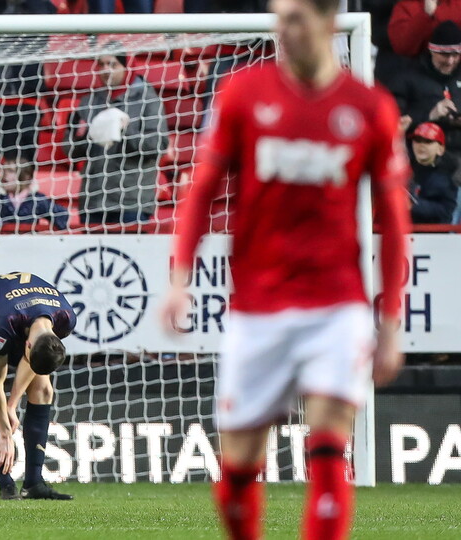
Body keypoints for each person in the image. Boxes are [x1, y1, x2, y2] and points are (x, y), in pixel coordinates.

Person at [160, 0, 410, 537]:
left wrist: (390, 323)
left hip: (336, 306)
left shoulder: (369, 107)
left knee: (327, 446)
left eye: (294, 18)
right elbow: (202, 192)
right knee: (237, 472)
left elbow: (394, 220)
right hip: (257, 307)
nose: (282, 31)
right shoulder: (245, 94)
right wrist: (179, 280)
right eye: (278, 18)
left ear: (326, 22)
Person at [0, 272, 76, 500]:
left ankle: (34, 484)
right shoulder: (4, 325)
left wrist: (12, 404)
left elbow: (33, 361)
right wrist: (5, 433)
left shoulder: (66, 318)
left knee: (43, 390)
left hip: (24, 319)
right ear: (27, 344)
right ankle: (6, 485)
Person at [66, 47, 167, 225]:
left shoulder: (148, 100)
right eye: (102, 64)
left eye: (113, 64)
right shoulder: (88, 102)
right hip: (93, 202)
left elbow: (156, 145)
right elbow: (68, 149)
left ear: (126, 67)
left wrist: (125, 131)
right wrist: (85, 136)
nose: (106, 70)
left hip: (131, 203)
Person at [389, 21, 461, 158]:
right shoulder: (407, 78)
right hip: (424, 160)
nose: (450, 61)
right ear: (432, 50)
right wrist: (429, 116)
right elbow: (394, 124)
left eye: (456, 55)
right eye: (444, 55)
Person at [0, 152, 69, 230]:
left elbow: (61, 214)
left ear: (25, 176)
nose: (4, 175)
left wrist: (45, 232)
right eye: (4, 170)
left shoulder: (36, 199)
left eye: (10, 171)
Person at [407, 122, 458, 223]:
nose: (421, 145)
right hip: (406, 232)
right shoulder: (403, 170)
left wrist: (413, 205)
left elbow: (446, 211)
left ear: (441, 149)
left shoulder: (449, 176)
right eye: (417, 140)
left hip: (435, 235)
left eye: (428, 141)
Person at [388, 0, 461, 57]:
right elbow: (402, 47)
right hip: (419, 66)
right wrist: (426, 15)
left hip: (455, 64)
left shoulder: (457, 4)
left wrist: (436, 14)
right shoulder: (404, 7)